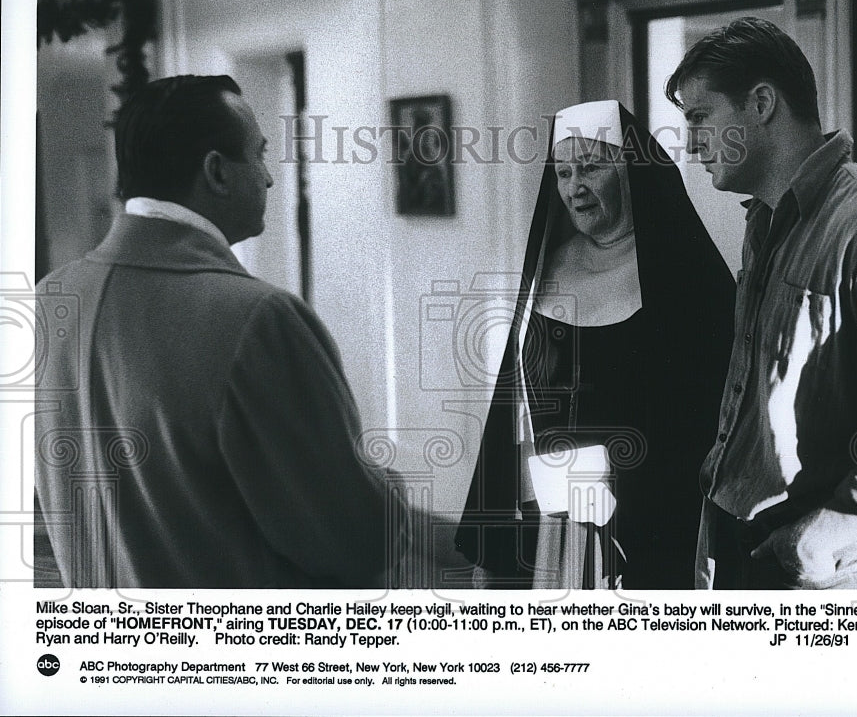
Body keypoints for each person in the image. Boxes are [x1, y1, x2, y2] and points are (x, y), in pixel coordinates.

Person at [34, 75, 407, 588]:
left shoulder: (50, 297)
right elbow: (361, 541)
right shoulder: (260, 319)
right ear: (217, 172)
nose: (270, 179)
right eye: (258, 154)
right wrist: (388, 489)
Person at [664, 17, 857, 589]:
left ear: (761, 103)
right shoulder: (766, 222)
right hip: (762, 553)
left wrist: (835, 527)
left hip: (842, 568)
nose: (691, 141)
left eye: (699, 117)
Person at [454, 101, 735, 589]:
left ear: (630, 169)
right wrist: (493, 538)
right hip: (551, 527)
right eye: (563, 172)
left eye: (591, 167)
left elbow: (711, 417)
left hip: (653, 529)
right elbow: (513, 407)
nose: (574, 186)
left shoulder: (687, 277)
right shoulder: (547, 270)